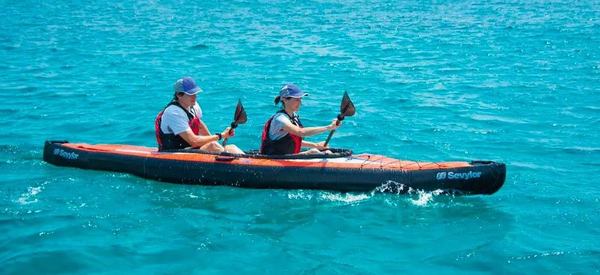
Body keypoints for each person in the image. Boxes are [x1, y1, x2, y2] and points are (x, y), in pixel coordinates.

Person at [155, 77, 244, 154]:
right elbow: (194, 141)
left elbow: (199, 125)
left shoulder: (193, 105)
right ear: (179, 95)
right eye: (191, 94)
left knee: (231, 147)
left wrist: (218, 139)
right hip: (173, 154)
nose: (195, 97)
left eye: (195, 93)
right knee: (212, 146)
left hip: (189, 149)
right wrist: (221, 135)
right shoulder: (173, 113)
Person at [260, 84, 340, 155]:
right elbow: (300, 132)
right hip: (275, 159)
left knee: (323, 152)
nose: (300, 102)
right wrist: (328, 127)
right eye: (296, 99)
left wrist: (316, 145)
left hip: (287, 157)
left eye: (300, 99)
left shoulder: (294, 116)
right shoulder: (280, 119)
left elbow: (293, 141)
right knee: (315, 152)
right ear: (284, 99)